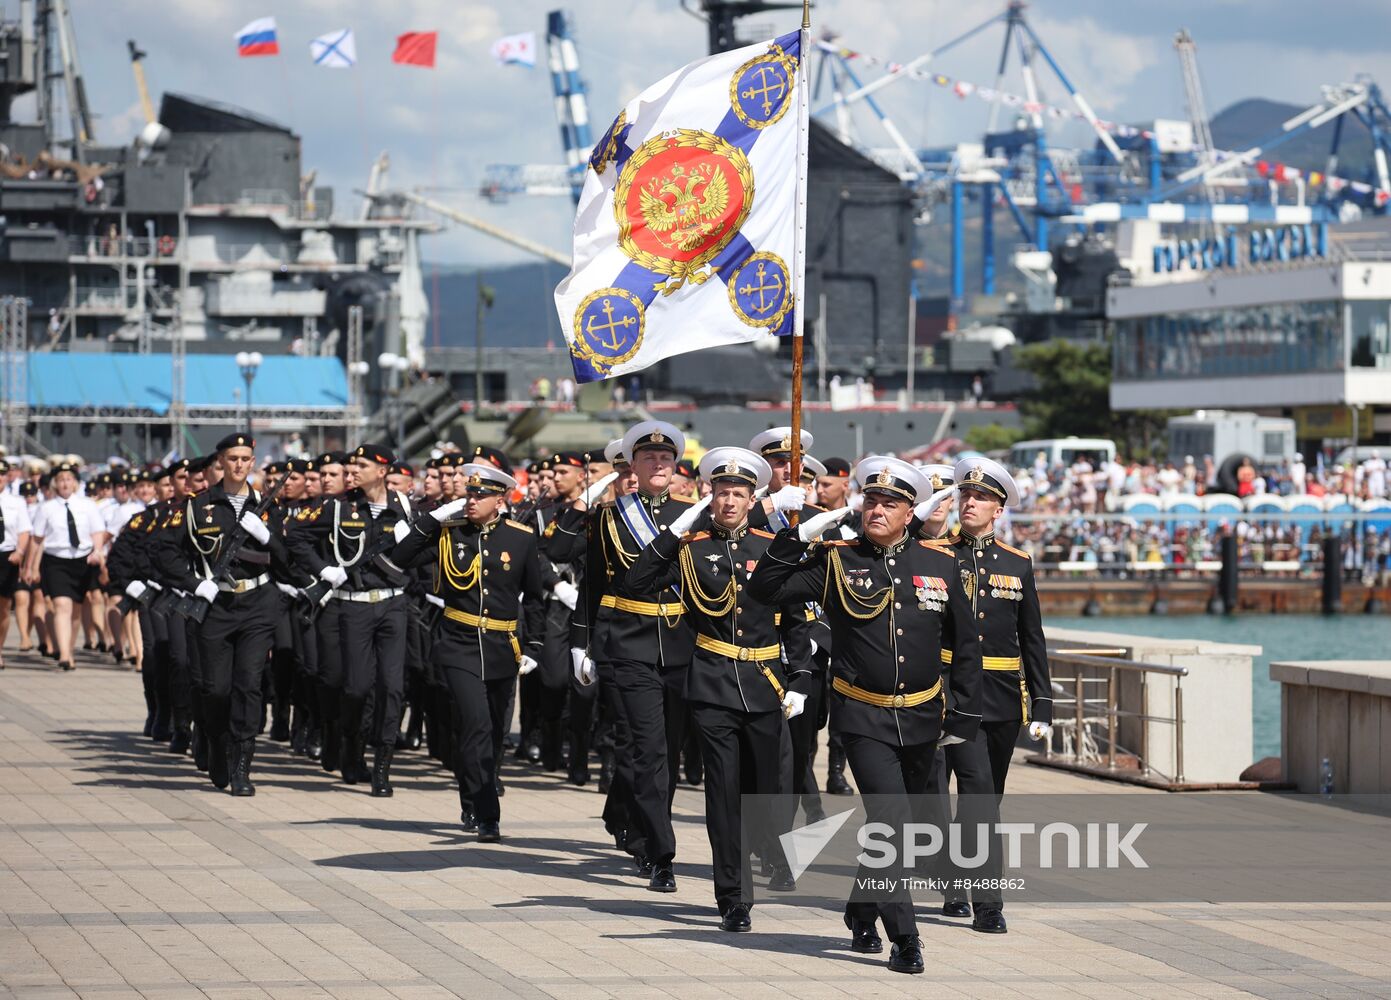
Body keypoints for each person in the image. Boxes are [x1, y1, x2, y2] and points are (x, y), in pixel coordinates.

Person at [750, 456, 980, 975]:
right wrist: (795, 537)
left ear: (908, 513)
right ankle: (906, 937)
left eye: (890, 504)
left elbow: (966, 646)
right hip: (862, 716)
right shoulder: (836, 560)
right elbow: (763, 591)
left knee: (899, 827)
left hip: (923, 716)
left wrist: (963, 714)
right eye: (871, 501)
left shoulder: (942, 564)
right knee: (890, 822)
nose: (878, 510)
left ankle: (860, 909)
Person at [628, 446, 808, 931]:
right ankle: (733, 897)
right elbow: (637, 582)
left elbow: (796, 618)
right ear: (710, 496)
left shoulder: (772, 547)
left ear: (753, 500)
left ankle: (764, 855)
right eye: (722, 492)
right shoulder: (691, 548)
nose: (729, 501)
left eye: (738, 494)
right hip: (712, 686)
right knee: (724, 796)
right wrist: (675, 530)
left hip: (765, 685)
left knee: (765, 792)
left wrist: (802, 678)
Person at [571, 421, 698, 891]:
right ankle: (659, 851)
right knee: (648, 751)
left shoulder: (695, 516)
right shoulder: (608, 518)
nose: (658, 465)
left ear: (675, 466)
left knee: (669, 749)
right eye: (648, 458)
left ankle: (637, 821)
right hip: (629, 644)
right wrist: (581, 641)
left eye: (665, 459)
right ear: (634, 467)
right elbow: (591, 582)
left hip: (683, 643)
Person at [393, 461, 549, 841]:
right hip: (458, 642)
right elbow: (400, 557)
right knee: (475, 724)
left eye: (481, 495)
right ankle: (486, 813)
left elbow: (534, 598)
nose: (472, 500)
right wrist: (432, 520)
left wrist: (535, 644)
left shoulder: (521, 538)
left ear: (501, 500)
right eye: (470, 493)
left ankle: (473, 796)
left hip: (502, 645)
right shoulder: (450, 533)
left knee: (493, 731)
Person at [937, 456, 1053, 934]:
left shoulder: (1017, 563)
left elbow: (1032, 638)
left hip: (1002, 697)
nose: (970, 502)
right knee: (964, 797)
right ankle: (987, 902)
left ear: (998, 509)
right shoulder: (936, 554)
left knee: (986, 800)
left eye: (981, 497)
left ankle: (959, 876)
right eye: (965, 494)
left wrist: (1043, 703)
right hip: (948, 696)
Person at [156, 434, 288, 797]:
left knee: (249, 683)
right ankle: (215, 740)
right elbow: (165, 552)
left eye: (246, 458)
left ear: (253, 462)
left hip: (258, 603)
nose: (239, 465)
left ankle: (242, 764)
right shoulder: (197, 506)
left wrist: (268, 537)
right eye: (232, 458)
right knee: (215, 689)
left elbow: (287, 558)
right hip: (215, 606)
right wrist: (195, 584)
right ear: (221, 462)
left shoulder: (267, 506)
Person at [287, 445, 415, 795]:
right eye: (353, 464)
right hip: (354, 606)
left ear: (382, 471)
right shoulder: (339, 507)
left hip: (393, 604)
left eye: (362, 465)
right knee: (356, 688)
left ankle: (382, 767)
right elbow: (296, 535)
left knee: (391, 687)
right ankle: (352, 749)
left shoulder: (403, 507)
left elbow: (425, 552)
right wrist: (324, 569)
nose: (353, 470)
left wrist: (412, 544)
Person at [25, 461, 109, 672]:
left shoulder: (87, 505)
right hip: (56, 560)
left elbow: (97, 531)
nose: (65, 483)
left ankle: (69, 650)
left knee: (76, 611)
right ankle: (63, 654)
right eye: (61, 480)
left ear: (75, 483)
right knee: (62, 605)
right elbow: (36, 539)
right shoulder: (46, 508)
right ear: (55, 483)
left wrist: (98, 551)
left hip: (82, 561)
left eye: (69, 479)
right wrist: (31, 567)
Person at [0, 461, 34, 668]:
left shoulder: (16, 502)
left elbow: (24, 530)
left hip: (8, 556)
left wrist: (20, 552)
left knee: (4, 607)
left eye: (2, 474)